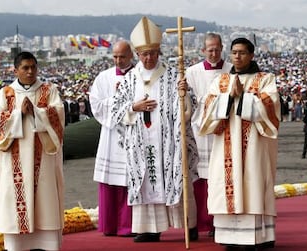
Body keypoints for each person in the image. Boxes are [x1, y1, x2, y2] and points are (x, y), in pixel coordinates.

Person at [111, 16, 199, 243]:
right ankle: (149, 228)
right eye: (144, 54)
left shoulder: (172, 75)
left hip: (169, 141)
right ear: (137, 55)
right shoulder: (130, 79)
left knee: (176, 175)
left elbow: (189, 109)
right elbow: (116, 110)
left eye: (153, 53)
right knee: (145, 178)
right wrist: (134, 106)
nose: (149, 58)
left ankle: (188, 225)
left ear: (159, 52)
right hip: (141, 141)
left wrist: (184, 94)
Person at [199, 37, 280, 250]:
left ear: (251, 55)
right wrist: (227, 97)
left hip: (254, 146)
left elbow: (270, 105)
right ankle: (229, 237)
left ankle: (257, 237)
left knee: (253, 182)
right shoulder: (221, 81)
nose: (237, 56)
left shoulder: (265, 79)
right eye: (234, 52)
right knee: (227, 185)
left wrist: (242, 96)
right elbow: (207, 108)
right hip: (225, 145)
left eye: (242, 52)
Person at [0, 51, 65, 251]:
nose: (30, 71)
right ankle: (17, 246)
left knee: (44, 203)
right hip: (15, 159)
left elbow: (58, 115)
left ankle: (46, 244)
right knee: (15, 205)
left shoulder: (49, 91)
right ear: (15, 70)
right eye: (25, 68)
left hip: (43, 162)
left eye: (33, 67)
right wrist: (18, 114)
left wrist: (38, 112)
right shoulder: (5, 93)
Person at [185, 32, 232, 236]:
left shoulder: (231, 70)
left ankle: (218, 221)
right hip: (199, 130)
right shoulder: (192, 72)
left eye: (217, 49)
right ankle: (198, 221)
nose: (213, 53)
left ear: (222, 48)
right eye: (209, 49)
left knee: (221, 176)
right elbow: (187, 101)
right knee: (199, 176)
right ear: (202, 50)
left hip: (223, 129)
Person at [89, 40, 135, 237]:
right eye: (115, 57)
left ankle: (129, 225)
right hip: (111, 133)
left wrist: (128, 105)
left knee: (130, 179)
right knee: (110, 180)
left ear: (131, 55)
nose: (118, 60)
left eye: (122, 56)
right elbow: (96, 106)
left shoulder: (140, 75)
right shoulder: (104, 77)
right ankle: (109, 225)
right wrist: (117, 100)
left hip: (134, 133)